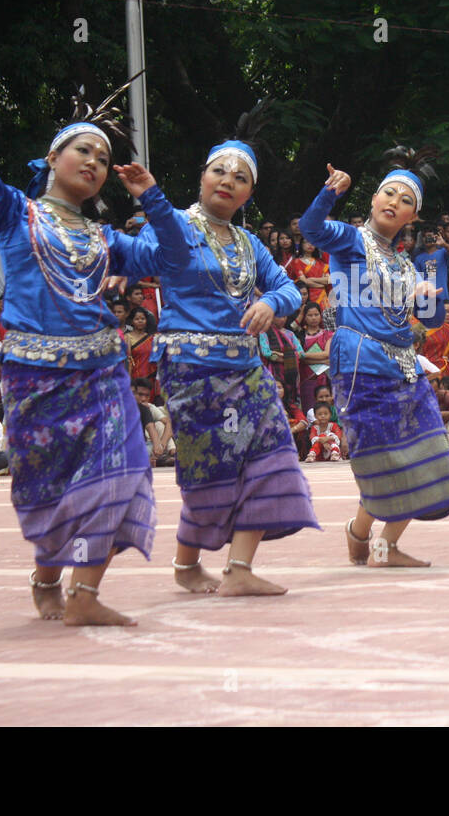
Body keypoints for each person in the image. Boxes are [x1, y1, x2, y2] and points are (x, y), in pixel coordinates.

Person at [0, 40, 181, 624]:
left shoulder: (107, 240)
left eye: (103, 159)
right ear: (54, 158)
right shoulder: (15, 213)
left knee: (122, 472)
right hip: (35, 372)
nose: (93, 162)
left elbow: (176, 257)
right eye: (82, 150)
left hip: (104, 371)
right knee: (52, 491)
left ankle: (85, 596)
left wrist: (151, 197)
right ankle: (48, 572)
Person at [132, 123, 317, 596]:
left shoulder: (249, 244)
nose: (227, 180)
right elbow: (161, 233)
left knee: (270, 454)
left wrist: (271, 304)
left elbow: (289, 288)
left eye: (240, 177)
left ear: (249, 193)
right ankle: (187, 564)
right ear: (202, 176)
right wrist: (151, 195)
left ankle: (238, 568)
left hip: (245, 367)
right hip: (191, 367)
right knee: (211, 463)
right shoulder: (177, 224)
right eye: (219, 170)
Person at [301, 148, 449, 566]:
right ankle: (369, 539)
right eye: (388, 193)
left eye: (406, 200)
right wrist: (329, 192)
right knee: (382, 456)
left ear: (413, 216)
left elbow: (422, 321)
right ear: (373, 200)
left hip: (403, 364)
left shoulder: (408, 263)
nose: (395, 201)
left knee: (427, 451)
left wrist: (428, 299)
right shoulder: (350, 238)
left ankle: (374, 539)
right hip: (360, 359)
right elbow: (310, 227)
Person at [296, 302, 332, 412]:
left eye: (316, 314)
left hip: (325, 377)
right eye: (310, 315)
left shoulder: (328, 334)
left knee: (327, 411)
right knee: (309, 410)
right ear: (304, 317)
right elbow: (299, 359)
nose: (313, 318)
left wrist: (304, 355)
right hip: (306, 379)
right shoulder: (298, 336)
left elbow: (327, 354)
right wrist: (322, 360)